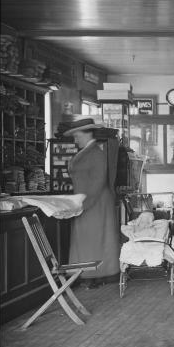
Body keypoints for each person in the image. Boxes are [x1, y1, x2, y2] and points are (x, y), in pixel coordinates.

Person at [64, 119, 121, 288]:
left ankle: (93, 275)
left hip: (95, 202)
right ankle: (88, 274)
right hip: (86, 200)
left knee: (94, 240)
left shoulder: (96, 153)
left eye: (77, 136)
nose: (75, 140)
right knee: (87, 240)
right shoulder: (88, 151)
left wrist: (84, 203)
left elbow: (98, 181)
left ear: (87, 133)